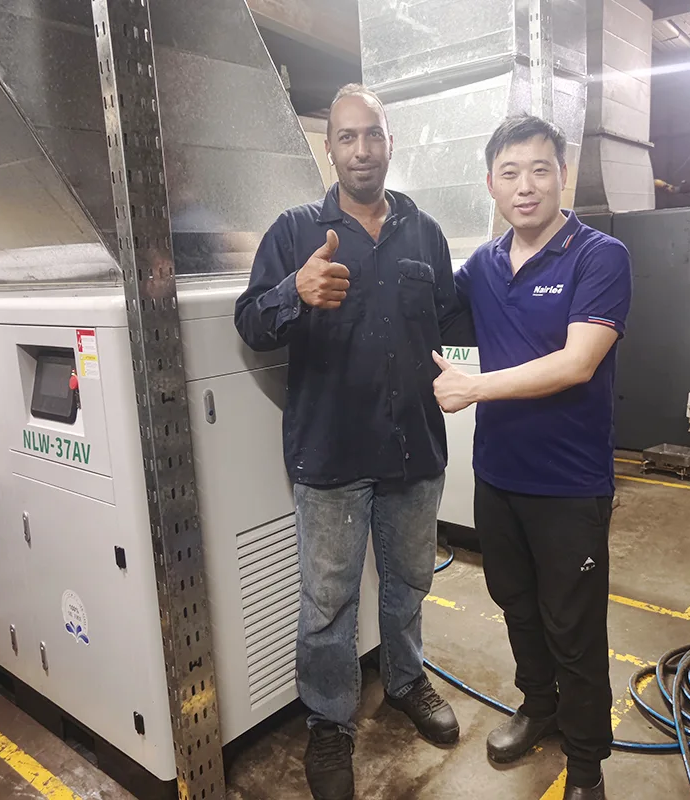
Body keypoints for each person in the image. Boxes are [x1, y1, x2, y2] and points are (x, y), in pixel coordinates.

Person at [235, 84, 469, 800]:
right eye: (346, 137)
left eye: (372, 135)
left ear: (390, 142)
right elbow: (249, 322)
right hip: (332, 454)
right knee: (328, 602)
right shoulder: (295, 231)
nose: (361, 149)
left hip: (414, 450)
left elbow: (453, 320)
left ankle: (405, 680)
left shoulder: (425, 233)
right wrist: (293, 292)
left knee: (410, 582)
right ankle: (330, 722)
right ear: (329, 148)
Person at [431, 116, 632, 800]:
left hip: (570, 485)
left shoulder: (599, 257)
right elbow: (429, 307)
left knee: (574, 628)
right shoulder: (484, 266)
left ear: (562, 176)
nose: (525, 187)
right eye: (510, 173)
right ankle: (538, 707)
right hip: (498, 477)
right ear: (491, 184)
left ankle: (587, 766)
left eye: (540, 170)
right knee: (516, 604)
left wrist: (474, 387)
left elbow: (578, 363)